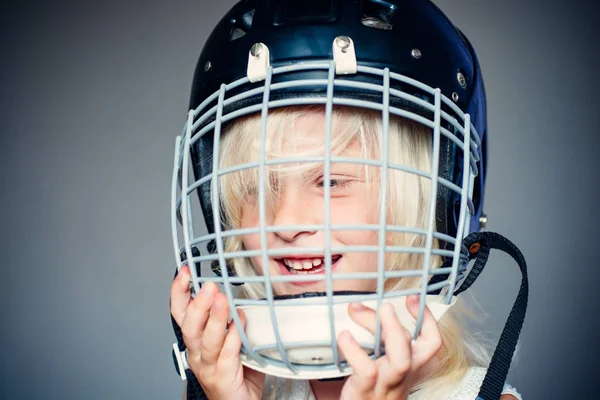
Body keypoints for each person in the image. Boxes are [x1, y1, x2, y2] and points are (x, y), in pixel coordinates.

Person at [169, 1, 528, 399]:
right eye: (258, 188)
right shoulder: (243, 388)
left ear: (432, 200)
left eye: (332, 181)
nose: (285, 222)